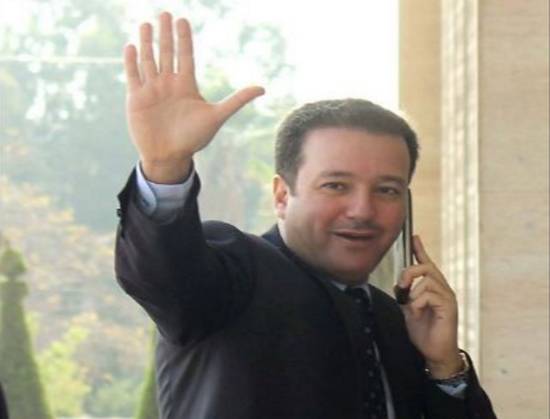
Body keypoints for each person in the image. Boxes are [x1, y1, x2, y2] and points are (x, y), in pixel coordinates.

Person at [115, 11, 497, 419]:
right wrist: (165, 166)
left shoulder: (403, 322)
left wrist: (445, 368)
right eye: (336, 186)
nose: (362, 210)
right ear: (282, 195)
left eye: (386, 190)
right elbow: (164, 271)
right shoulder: (234, 277)